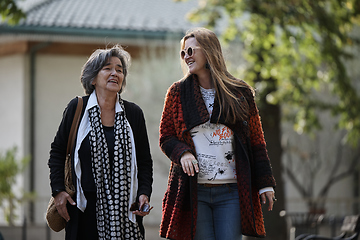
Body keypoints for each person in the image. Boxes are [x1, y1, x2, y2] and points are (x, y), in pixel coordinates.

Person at [159, 28, 276, 240]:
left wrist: (265, 183)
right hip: (195, 191)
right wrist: (183, 153)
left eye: (192, 50)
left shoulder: (240, 93)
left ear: (210, 51)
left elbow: (256, 141)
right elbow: (166, 137)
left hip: (231, 192)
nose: (187, 57)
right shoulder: (177, 92)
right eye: (183, 53)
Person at [48, 45, 153, 240]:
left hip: (125, 214)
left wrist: (144, 193)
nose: (115, 73)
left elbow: (144, 161)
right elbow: (58, 151)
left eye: (119, 70)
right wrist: (58, 191)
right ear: (93, 78)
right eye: (108, 68)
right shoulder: (77, 108)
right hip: (83, 210)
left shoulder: (133, 114)